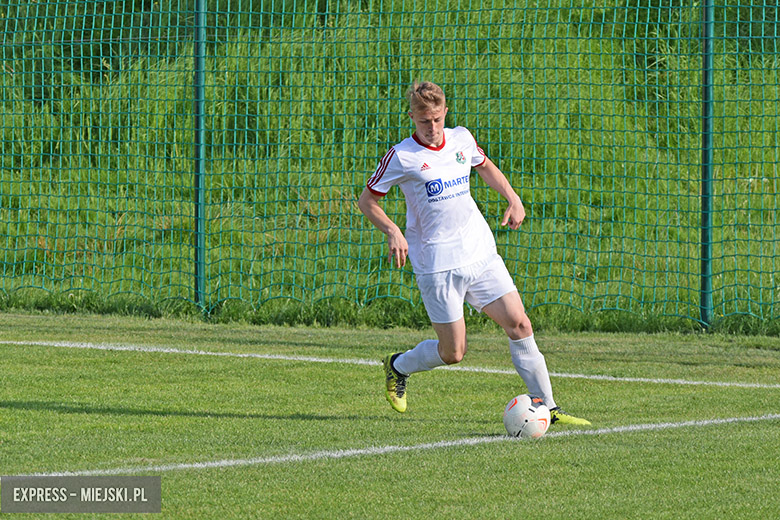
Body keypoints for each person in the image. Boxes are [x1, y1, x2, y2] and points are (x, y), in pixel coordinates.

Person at [357, 81, 590, 426]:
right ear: (412, 118)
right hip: (437, 264)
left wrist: (513, 198)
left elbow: (484, 166)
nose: (432, 128)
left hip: (479, 253)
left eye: (437, 119)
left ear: (445, 113)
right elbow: (367, 201)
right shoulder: (403, 156)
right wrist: (393, 231)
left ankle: (550, 409)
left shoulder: (462, 139)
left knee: (520, 323)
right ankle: (397, 365)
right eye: (424, 121)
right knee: (453, 352)